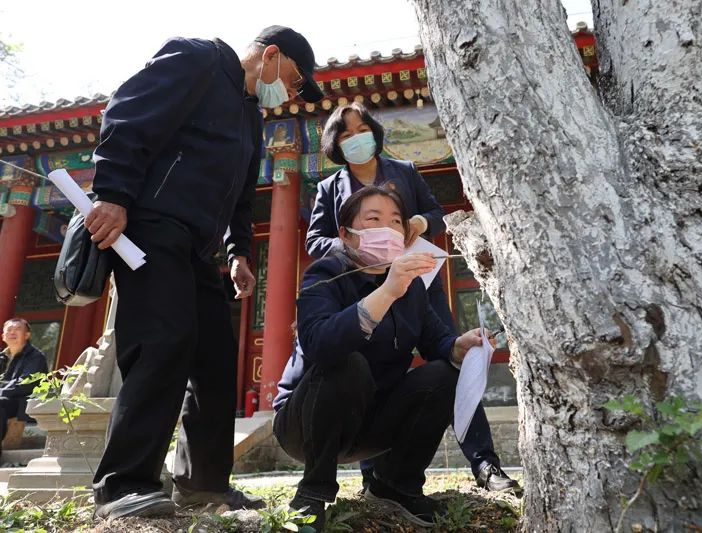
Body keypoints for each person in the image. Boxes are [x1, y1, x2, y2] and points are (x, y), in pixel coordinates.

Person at [85, 26, 323, 520]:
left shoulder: (250, 116)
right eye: (296, 80)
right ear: (272, 54)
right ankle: (123, 485)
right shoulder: (198, 59)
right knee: (163, 341)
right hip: (151, 227)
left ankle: (202, 485)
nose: (292, 94)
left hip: (198, 249)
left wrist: (239, 253)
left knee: (216, 357)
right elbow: (127, 113)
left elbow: (241, 197)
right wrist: (112, 193)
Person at [306, 102, 520, 493]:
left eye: (362, 129)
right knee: (368, 368)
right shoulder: (328, 189)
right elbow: (315, 241)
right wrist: (361, 246)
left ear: (375, 132)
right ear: (335, 144)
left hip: (418, 285)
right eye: (346, 134)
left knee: (452, 357)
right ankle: (373, 478)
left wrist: (418, 222)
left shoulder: (404, 171)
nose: (357, 138)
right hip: (366, 292)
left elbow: (436, 213)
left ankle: (484, 461)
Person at [274, 186, 489, 530]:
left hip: (374, 421)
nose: (387, 230)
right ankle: (312, 493)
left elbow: (436, 340)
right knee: (348, 363)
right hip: (305, 422)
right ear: (346, 234)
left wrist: (457, 347)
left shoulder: (412, 287)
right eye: (374, 219)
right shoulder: (325, 274)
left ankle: (395, 486)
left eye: (396, 222)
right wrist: (386, 292)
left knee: (445, 374)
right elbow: (320, 345)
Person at [0, 318, 48, 455]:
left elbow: (26, 383)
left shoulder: (36, 356)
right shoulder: (2, 357)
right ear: (3, 336)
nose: (12, 332)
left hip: (23, 402)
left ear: (27, 335)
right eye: (9, 330)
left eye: (17, 329)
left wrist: (1, 391)